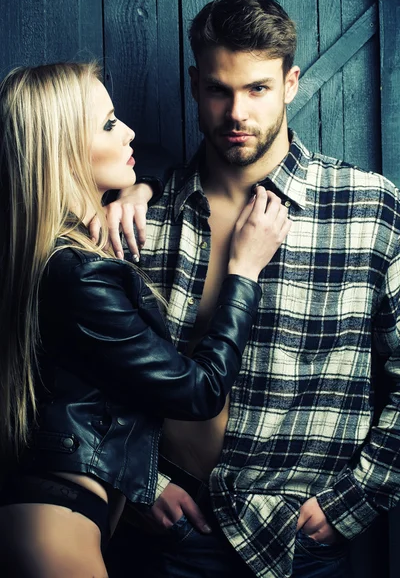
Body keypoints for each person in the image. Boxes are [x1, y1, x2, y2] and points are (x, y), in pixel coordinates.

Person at [103, 0, 400, 578]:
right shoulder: (142, 218)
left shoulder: (368, 209)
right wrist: (137, 483)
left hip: (297, 539)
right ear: (195, 85)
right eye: (219, 89)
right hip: (168, 532)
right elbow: (87, 375)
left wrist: (353, 500)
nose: (237, 113)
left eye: (258, 88)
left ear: (291, 83)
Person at [0, 61, 291, 578]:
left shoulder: (55, 249)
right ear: (64, 147)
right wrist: (243, 272)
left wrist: (141, 189)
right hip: (57, 523)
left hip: (64, 512)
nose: (129, 130)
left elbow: (154, 154)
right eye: (110, 123)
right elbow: (197, 393)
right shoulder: (78, 276)